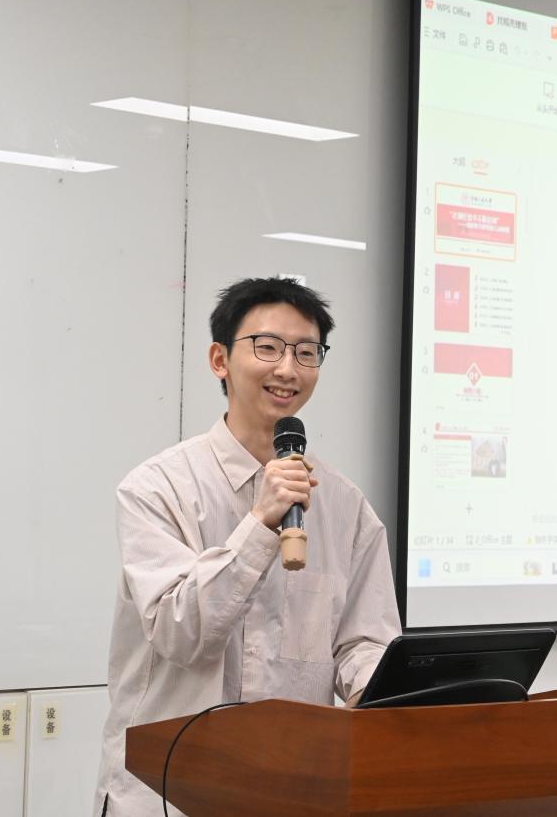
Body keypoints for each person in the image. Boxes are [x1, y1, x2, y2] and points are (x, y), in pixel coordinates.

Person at [93, 277, 400, 816]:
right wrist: (260, 522)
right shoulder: (157, 489)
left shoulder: (347, 508)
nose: (288, 369)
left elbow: (361, 644)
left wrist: (387, 688)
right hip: (168, 797)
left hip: (290, 791)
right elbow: (180, 631)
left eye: (306, 352)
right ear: (220, 360)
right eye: (268, 347)